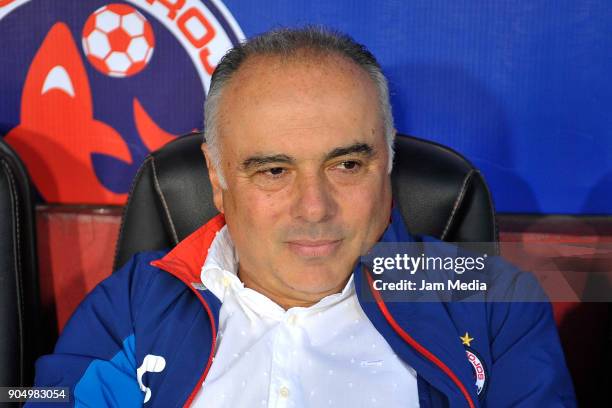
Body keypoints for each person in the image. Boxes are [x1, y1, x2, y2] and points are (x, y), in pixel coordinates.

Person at [29, 27, 575, 407]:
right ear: (218, 178)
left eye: (347, 165)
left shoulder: (493, 306)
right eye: (273, 172)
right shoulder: (133, 301)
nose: (314, 208)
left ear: (388, 162)